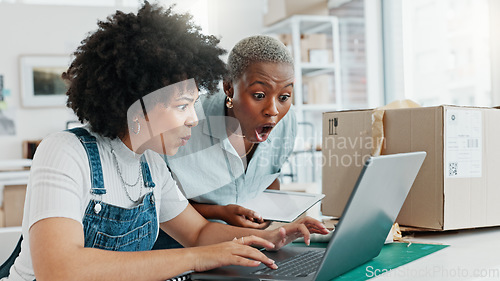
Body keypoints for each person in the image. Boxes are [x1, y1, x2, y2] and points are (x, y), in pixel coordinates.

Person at [1, 3, 329, 281]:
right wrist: (199, 258)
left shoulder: (152, 167)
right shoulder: (65, 152)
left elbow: (199, 233)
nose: (194, 119)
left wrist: (269, 236)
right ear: (139, 104)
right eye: (182, 106)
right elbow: (59, 270)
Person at [154, 35, 298, 249]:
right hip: (180, 245)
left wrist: (269, 213)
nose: (273, 111)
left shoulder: (287, 122)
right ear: (229, 88)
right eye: (259, 95)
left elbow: (268, 178)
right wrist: (220, 212)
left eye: (284, 97)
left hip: (253, 242)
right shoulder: (185, 124)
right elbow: (160, 205)